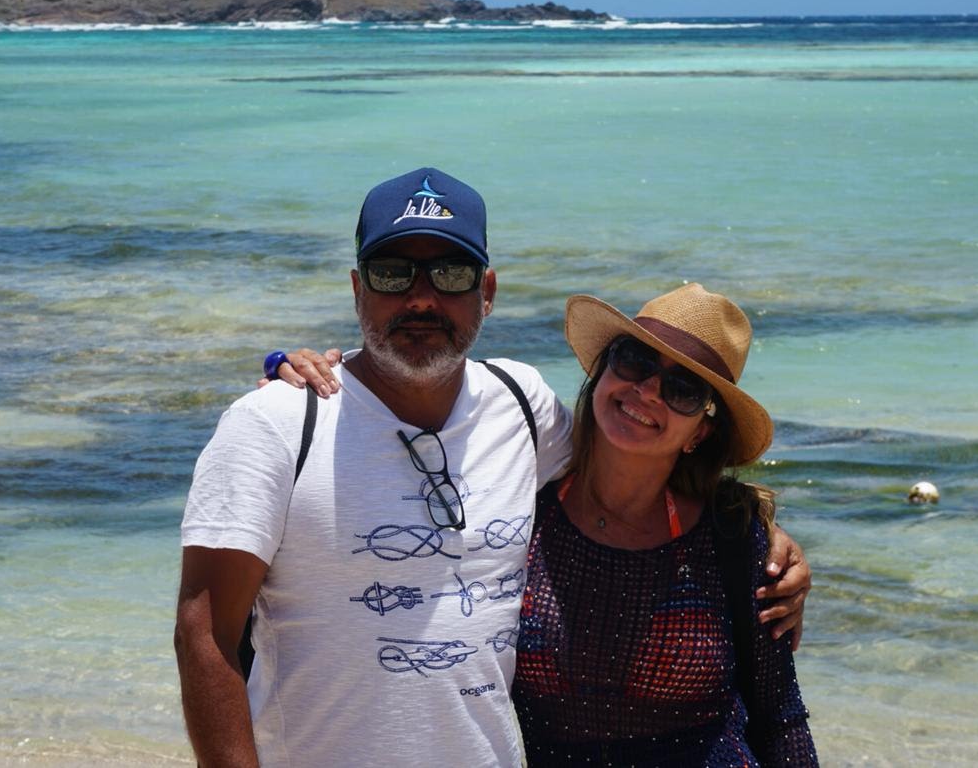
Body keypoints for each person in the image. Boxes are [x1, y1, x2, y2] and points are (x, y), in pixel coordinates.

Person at [177, 167, 809, 767]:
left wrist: (758, 530)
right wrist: (282, 365)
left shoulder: (521, 406)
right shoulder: (276, 425)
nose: (421, 298)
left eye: (450, 273)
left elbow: (631, 469)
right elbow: (203, 635)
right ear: (357, 288)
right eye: (393, 273)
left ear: (487, 293)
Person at [278, 285, 817, 767]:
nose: (649, 391)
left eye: (683, 389)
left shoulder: (732, 538)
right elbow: (396, 457)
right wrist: (305, 380)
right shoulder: (519, 508)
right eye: (633, 360)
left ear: (701, 431)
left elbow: (781, 719)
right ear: (601, 370)